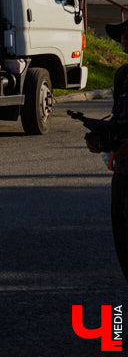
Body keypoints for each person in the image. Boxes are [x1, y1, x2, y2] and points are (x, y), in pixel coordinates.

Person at [105, 21, 128, 280]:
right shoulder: (122, 75)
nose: (124, 36)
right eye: (123, 31)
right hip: (123, 174)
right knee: (122, 242)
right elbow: (117, 119)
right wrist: (101, 138)